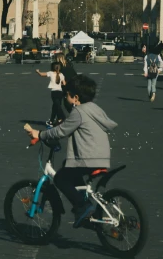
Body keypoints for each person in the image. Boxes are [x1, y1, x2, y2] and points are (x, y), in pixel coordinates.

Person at [25, 76, 118, 228]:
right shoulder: (95, 109)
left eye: (67, 95)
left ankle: (83, 206)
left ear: (75, 97)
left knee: (60, 178)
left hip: (88, 157)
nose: (65, 98)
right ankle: (84, 205)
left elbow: (61, 132)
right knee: (68, 167)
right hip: (101, 156)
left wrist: (39, 134)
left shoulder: (78, 112)